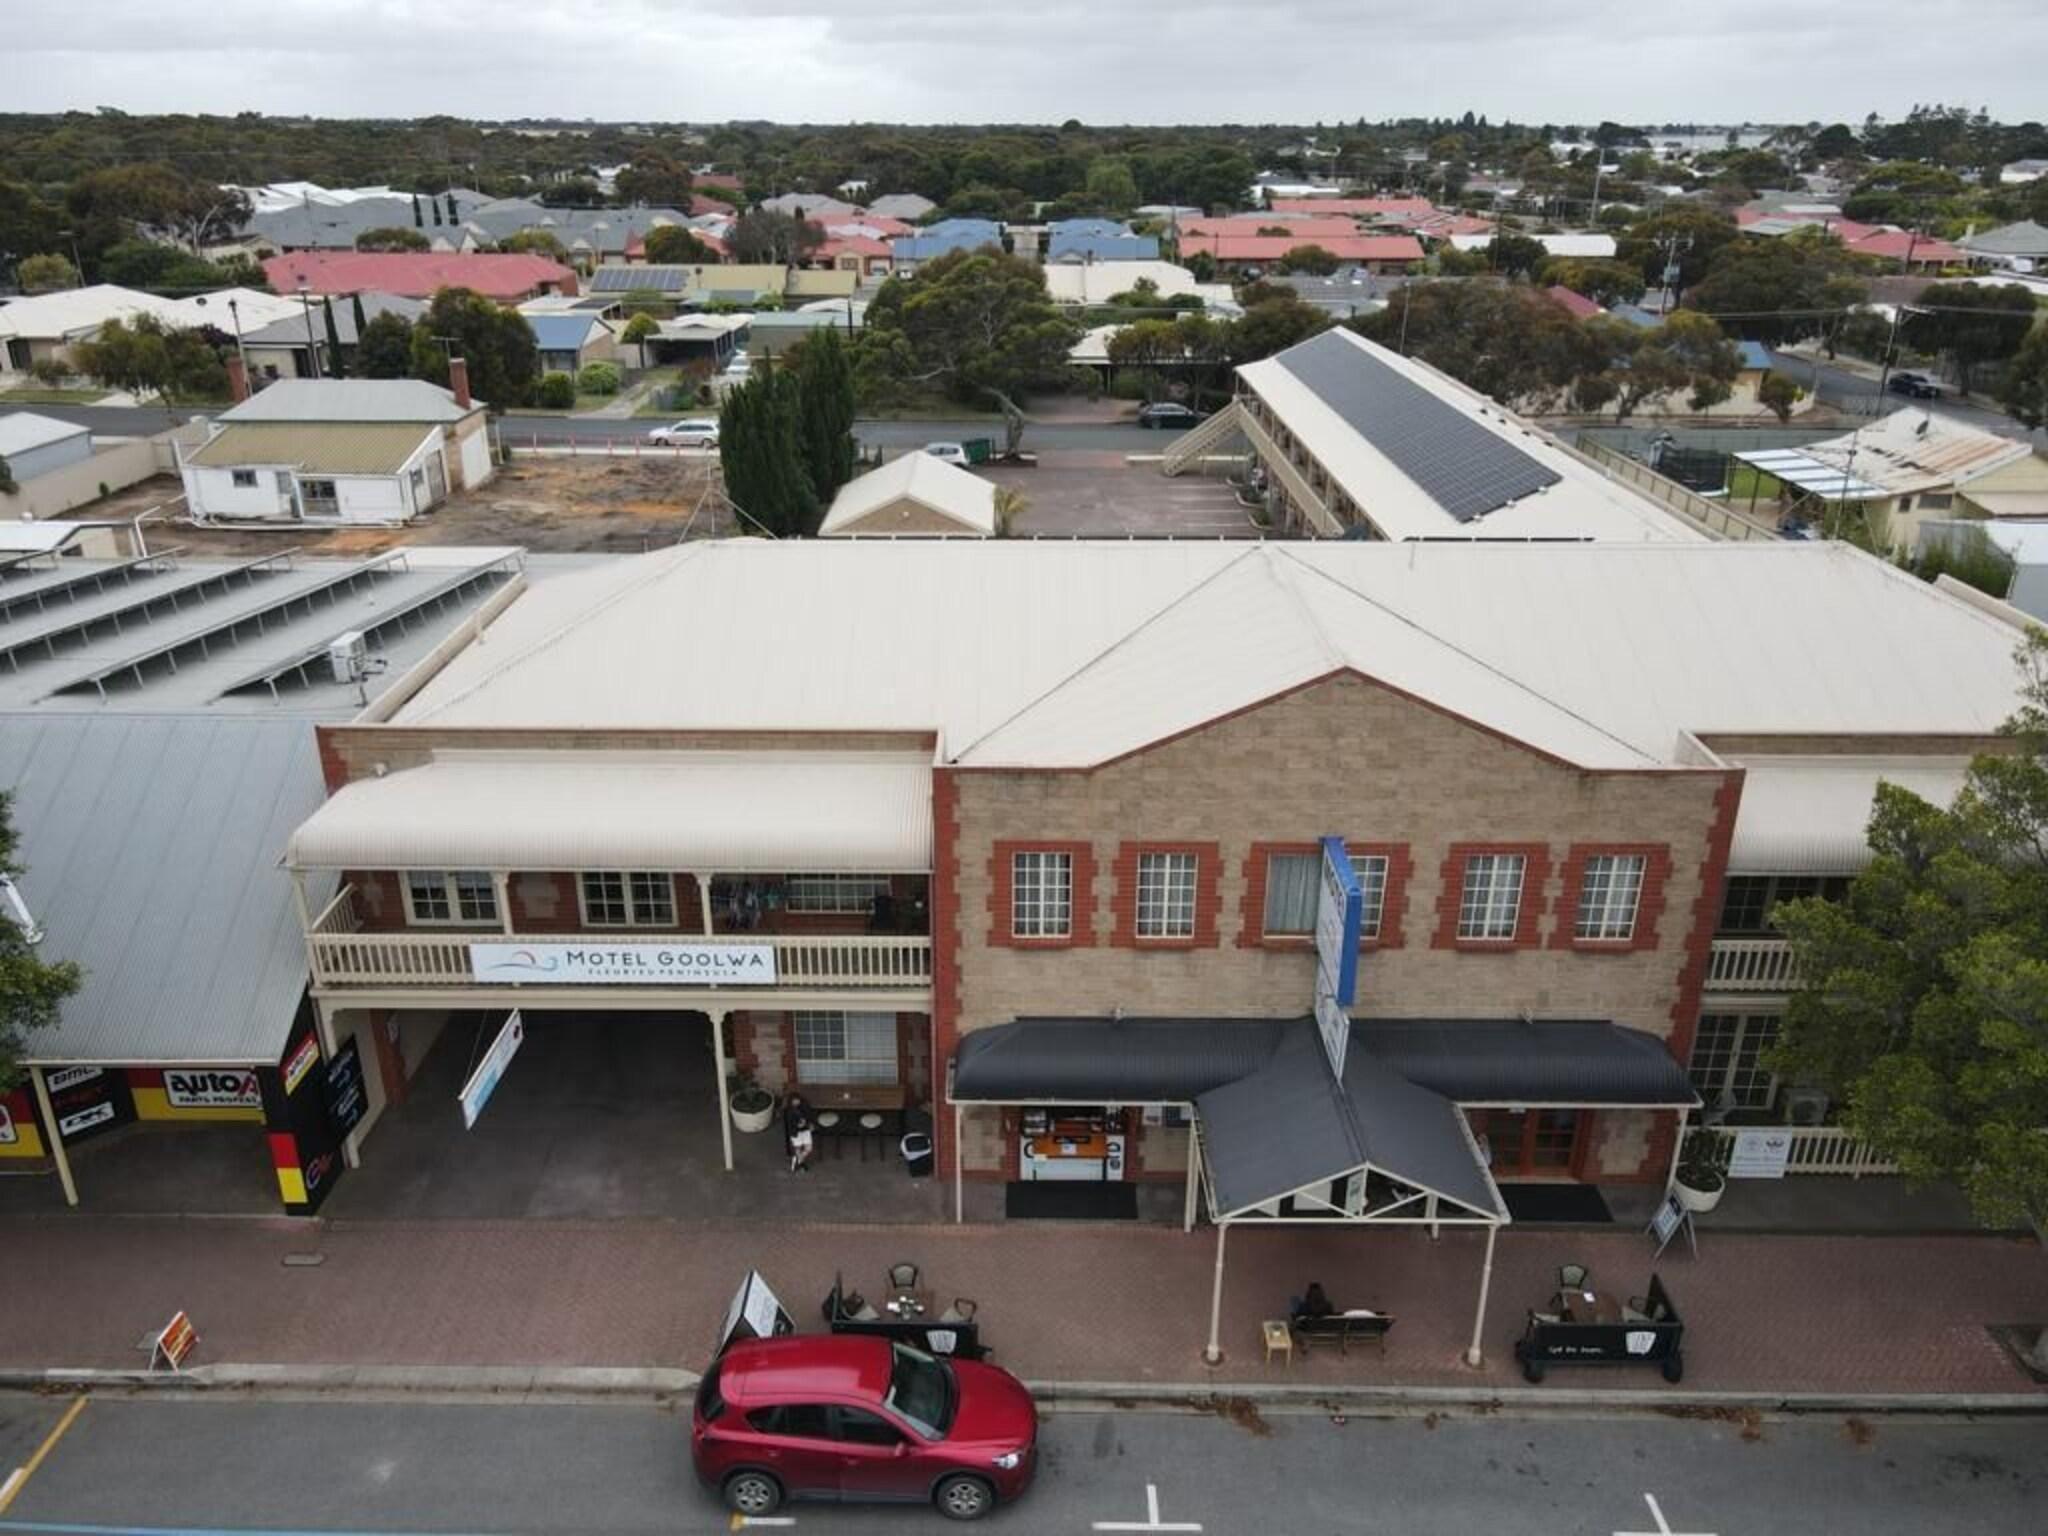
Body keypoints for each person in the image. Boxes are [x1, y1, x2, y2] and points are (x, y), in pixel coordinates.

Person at [784, 1093, 815, 1174]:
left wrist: (809, 1124)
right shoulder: (789, 1111)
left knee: (809, 1148)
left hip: (805, 1131)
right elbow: (790, 1124)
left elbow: (809, 1116)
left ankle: (798, 1160)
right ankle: (801, 1163)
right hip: (796, 1133)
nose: (796, 1102)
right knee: (798, 1148)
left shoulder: (805, 1107)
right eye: (794, 1100)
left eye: (797, 1100)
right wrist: (798, 1126)